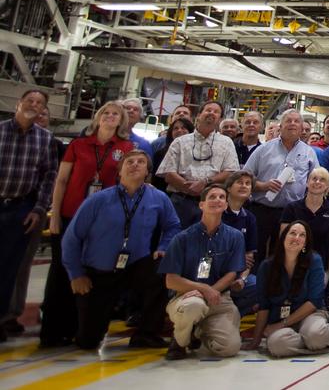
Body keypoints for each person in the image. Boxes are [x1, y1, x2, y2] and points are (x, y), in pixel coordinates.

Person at [60, 148, 179, 350]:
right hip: (100, 271)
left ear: (147, 171)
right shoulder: (98, 200)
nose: (135, 165)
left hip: (135, 265)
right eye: (129, 162)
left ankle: (147, 333)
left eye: (141, 162)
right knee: (88, 341)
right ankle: (91, 329)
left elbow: (173, 225)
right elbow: (72, 238)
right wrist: (76, 274)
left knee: (161, 270)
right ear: (120, 171)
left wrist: (163, 247)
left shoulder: (158, 198)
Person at [42, 100, 135, 346]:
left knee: (92, 273)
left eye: (116, 114)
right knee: (61, 271)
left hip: (103, 221)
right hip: (70, 214)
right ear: (98, 117)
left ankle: (80, 328)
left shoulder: (126, 148)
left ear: (122, 121)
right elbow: (61, 180)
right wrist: (55, 213)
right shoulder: (78, 145)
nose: (110, 116)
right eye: (106, 113)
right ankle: (52, 331)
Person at [158, 184, 246, 360]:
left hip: (219, 298)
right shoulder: (182, 238)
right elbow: (171, 280)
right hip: (187, 296)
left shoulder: (235, 237)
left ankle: (198, 331)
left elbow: (232, 274)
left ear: (226, 205)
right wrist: (203, 289)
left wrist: (211, 291)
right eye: (212, 197)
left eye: (221, 197)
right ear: (201, 205)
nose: (217, 200)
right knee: (194, 306)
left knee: (229, 348)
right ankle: (180, 341)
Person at [0, 88, 58, 342]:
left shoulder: (45, 139)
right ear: (19, 103)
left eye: (39, 103)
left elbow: (49, 176)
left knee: (9, 268)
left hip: (22, 208)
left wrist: (39, 209)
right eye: (30, 100)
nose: (34, 105)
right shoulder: (1, 131)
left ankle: (1, 318)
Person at [245, 221, 329, 356]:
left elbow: (313, 302)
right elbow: (263, 306)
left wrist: (282, 324)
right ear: (283, 237)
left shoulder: (314, 261)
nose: (296, 238)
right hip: (279, 317)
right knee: (276, 345)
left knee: (315, 334)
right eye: (293, 233)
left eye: (302, 235)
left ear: (305, 243)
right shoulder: (267, 266)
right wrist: (256, 340)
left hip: (310, 314)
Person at [245, 109, 320, 258]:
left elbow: (315, 179)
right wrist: (263, 186)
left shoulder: (309, 152)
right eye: (288, 121)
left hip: (293, 213)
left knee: (283, 256)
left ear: (302, 127)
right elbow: (245, 177)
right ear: (281, 125)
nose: (292, 124)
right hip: (262, 210)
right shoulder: (263, 149)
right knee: (256, 253)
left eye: (296, 121)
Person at [156, 100, 238, 225]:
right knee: (175, 235)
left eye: (216, 112)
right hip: (181, 201)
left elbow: (230, 172)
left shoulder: (227, 143)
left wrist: (205, 182)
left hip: (212, 202)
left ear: (220, 119)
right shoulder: (180, 141)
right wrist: (189, 188)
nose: (211, 113)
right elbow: (168, 173)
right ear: (199, 115)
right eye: (208, 110)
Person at [280, 167, 329, 272]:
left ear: (328, 186)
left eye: (322, 180)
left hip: (320, 268)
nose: (317, 182)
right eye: (314, 178)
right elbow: (283, 239)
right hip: (293, 266)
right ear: (307, 183)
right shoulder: (291, 208)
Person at [223, 169, 260, 313]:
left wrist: (242, 279)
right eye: (239, 182)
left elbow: (249, 257)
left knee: (260, 286)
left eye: (247, 183)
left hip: (237, 273)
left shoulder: (250, 218)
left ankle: (232, 314)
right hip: (213, 272)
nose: (244, 186)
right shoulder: (217, 211)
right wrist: (237, 257)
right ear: (228, 188)